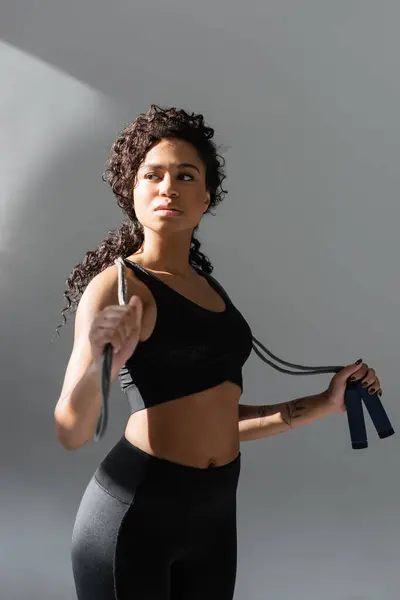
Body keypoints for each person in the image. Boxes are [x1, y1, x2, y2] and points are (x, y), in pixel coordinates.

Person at [53, 105, 382, 600]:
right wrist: (106, 360)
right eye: (153, 175)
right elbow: (70, 429)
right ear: (133, 191)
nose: (169, 187)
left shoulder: (210, 290)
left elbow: (218, 419)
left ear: (206, 197)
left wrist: (326, 402)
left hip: (213, 519)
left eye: (186, 175)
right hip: (134, 515)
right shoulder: (118, 289)